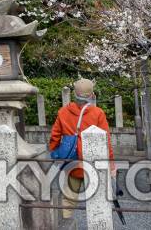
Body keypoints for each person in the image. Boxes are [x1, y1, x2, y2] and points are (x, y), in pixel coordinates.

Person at [48, 78, 114, 219]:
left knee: (69, 197)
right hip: (94, 163)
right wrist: (111, 164)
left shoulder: (63, 112)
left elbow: (55, 136)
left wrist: (55, 153)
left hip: (72, 163)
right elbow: (106, 141)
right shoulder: (98, 113)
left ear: (74, 94)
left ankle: (66, 223)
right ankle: (99, 223)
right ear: (92, 95)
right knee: (97, 198)